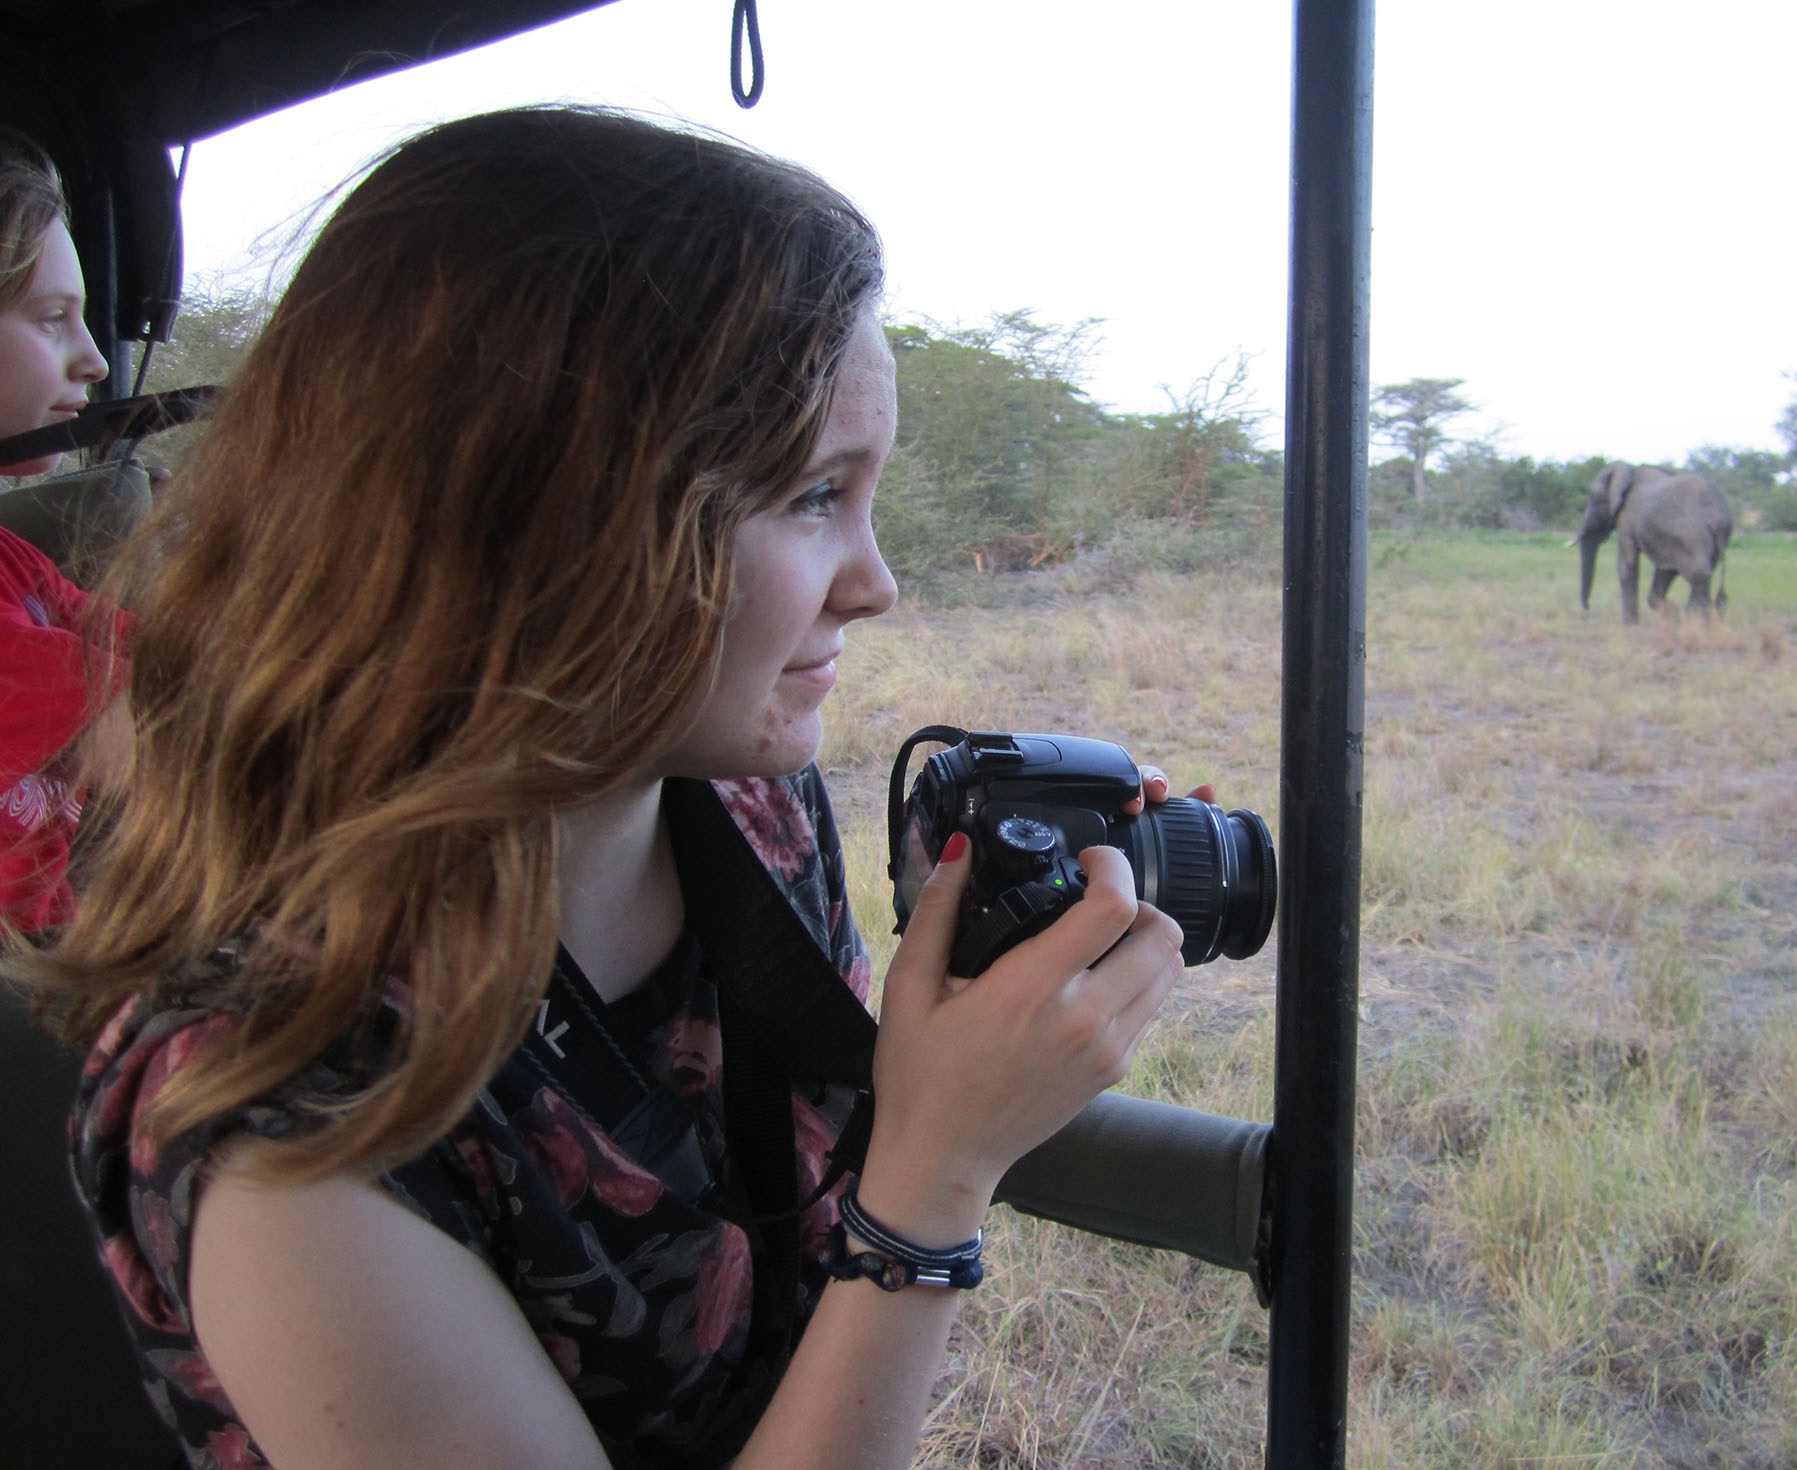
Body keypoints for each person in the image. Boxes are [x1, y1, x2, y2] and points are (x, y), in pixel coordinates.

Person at [19, 107, 1188, 1469]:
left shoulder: (739, 806)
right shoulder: (280, 1122)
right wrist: (930, 1184)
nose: (877, 583)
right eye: (816, 495)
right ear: (547, 515)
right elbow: (892, 1196)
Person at [0, 129, 117, 933]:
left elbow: (164, 648)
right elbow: (180, 728)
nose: (97, 360)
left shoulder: (16, 564)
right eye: (52, 319)